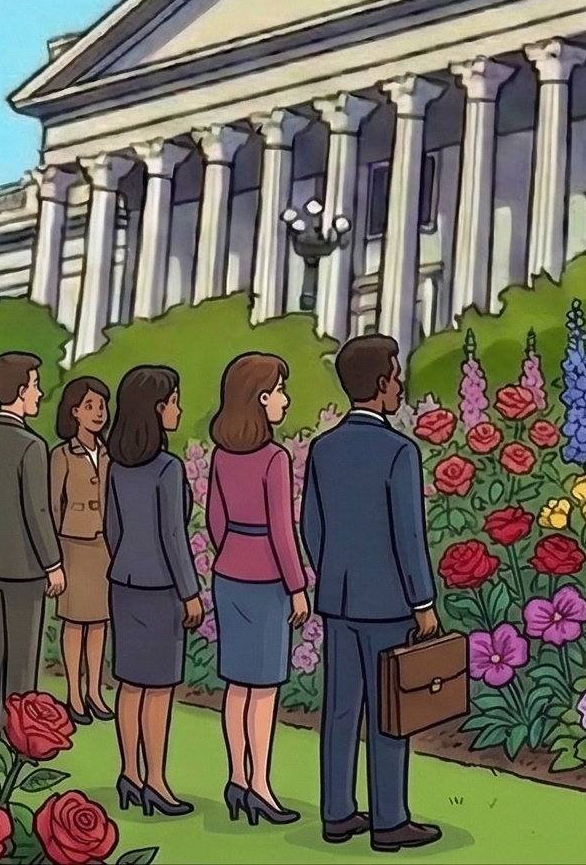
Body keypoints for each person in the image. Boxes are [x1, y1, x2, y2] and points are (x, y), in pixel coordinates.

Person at [304, 334, 442, 853]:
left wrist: (332, 573)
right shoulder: (398, 451)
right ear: (382, 385)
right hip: (387, 603)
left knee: (341, 708)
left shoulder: (324, 448)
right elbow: (409, 534)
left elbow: (311, 526)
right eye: (395, 374)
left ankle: (337, 812)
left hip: (339, 599)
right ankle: (388, 820)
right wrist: (423, 602)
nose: (400, 384)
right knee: (391, 710)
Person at [208, 352, 310, 826]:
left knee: (236, 685)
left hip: (229, 573)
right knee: (264, 689)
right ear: (260, 398)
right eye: (280, 392)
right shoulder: (274, 459)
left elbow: (214, 520)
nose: (285, 401)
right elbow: (282, 529)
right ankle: (261, 786)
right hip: (267, 578)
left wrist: (231, 551)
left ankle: (235, 777)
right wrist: (298, 586)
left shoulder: (222, 457)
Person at [105, 365, 202, 819]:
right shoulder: (167, 469)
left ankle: (129, 773)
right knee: (159, 689)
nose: (178, 409)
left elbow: (111, 528)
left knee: (130, 685)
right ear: (157, 408)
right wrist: (191, 592)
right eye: (174, 401)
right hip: (162, 586)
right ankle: (156, 781)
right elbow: (174, 536)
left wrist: (126, 558)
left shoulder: (117, 466)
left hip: (123, 582)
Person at [0, 351, 64, 733]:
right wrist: (53, 564)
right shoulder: (31, 446)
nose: (39, 393)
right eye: (35, 386)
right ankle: (20, 726)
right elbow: (38, 512)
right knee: (22, 653)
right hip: (25, 567)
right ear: (21, 391)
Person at [50, 376, 115, 724]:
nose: (98, 412)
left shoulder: (110, 453)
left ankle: (94, 690)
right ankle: (74, 693)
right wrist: (54, 558)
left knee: (100, 623)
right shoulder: (62, 455)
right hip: (73, 544)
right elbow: (51, 505)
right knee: (75, 623)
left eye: (101, 405)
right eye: (89, 406)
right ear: (74, 412)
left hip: (104, 547)